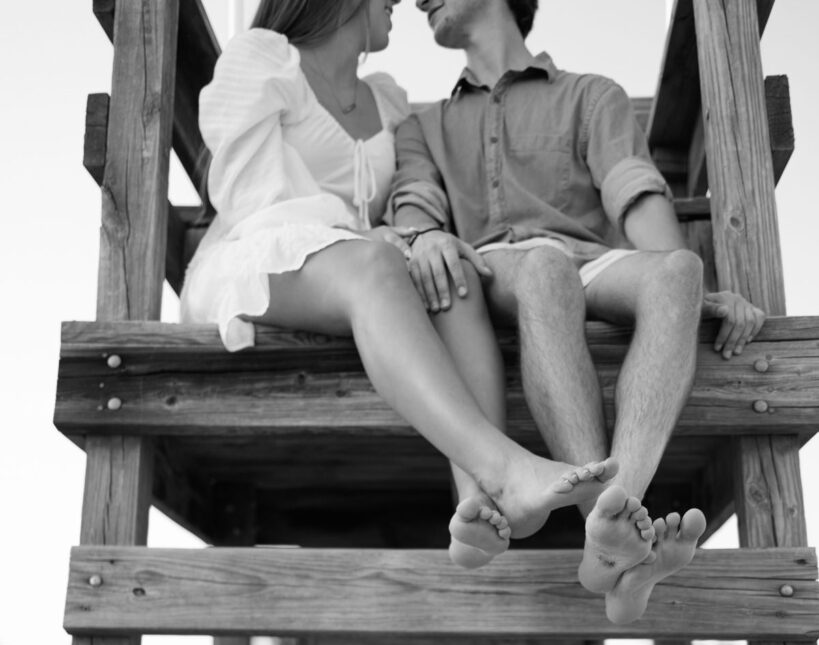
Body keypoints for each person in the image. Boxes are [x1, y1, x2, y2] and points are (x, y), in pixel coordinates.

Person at [180, 0, 624, 562]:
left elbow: (404, 205)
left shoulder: (385, 98)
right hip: (260, 263)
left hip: (366, 276)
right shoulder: (265, 59)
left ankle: (477, 505)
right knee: (380, 264)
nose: (401, 1)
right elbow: (250, 199)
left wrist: (417, 237)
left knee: (448, 269)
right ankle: (504, 467)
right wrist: (373, 239)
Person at [388, 0, 766, 622]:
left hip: (588, 264)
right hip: (496, 271)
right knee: (544, 265)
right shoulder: (421, 125)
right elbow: (415, 207)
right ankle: (607, 528)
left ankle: (613, 531)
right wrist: (419, 233)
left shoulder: (592, 95)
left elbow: (633, 191)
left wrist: (696, 294)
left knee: (680, 270)